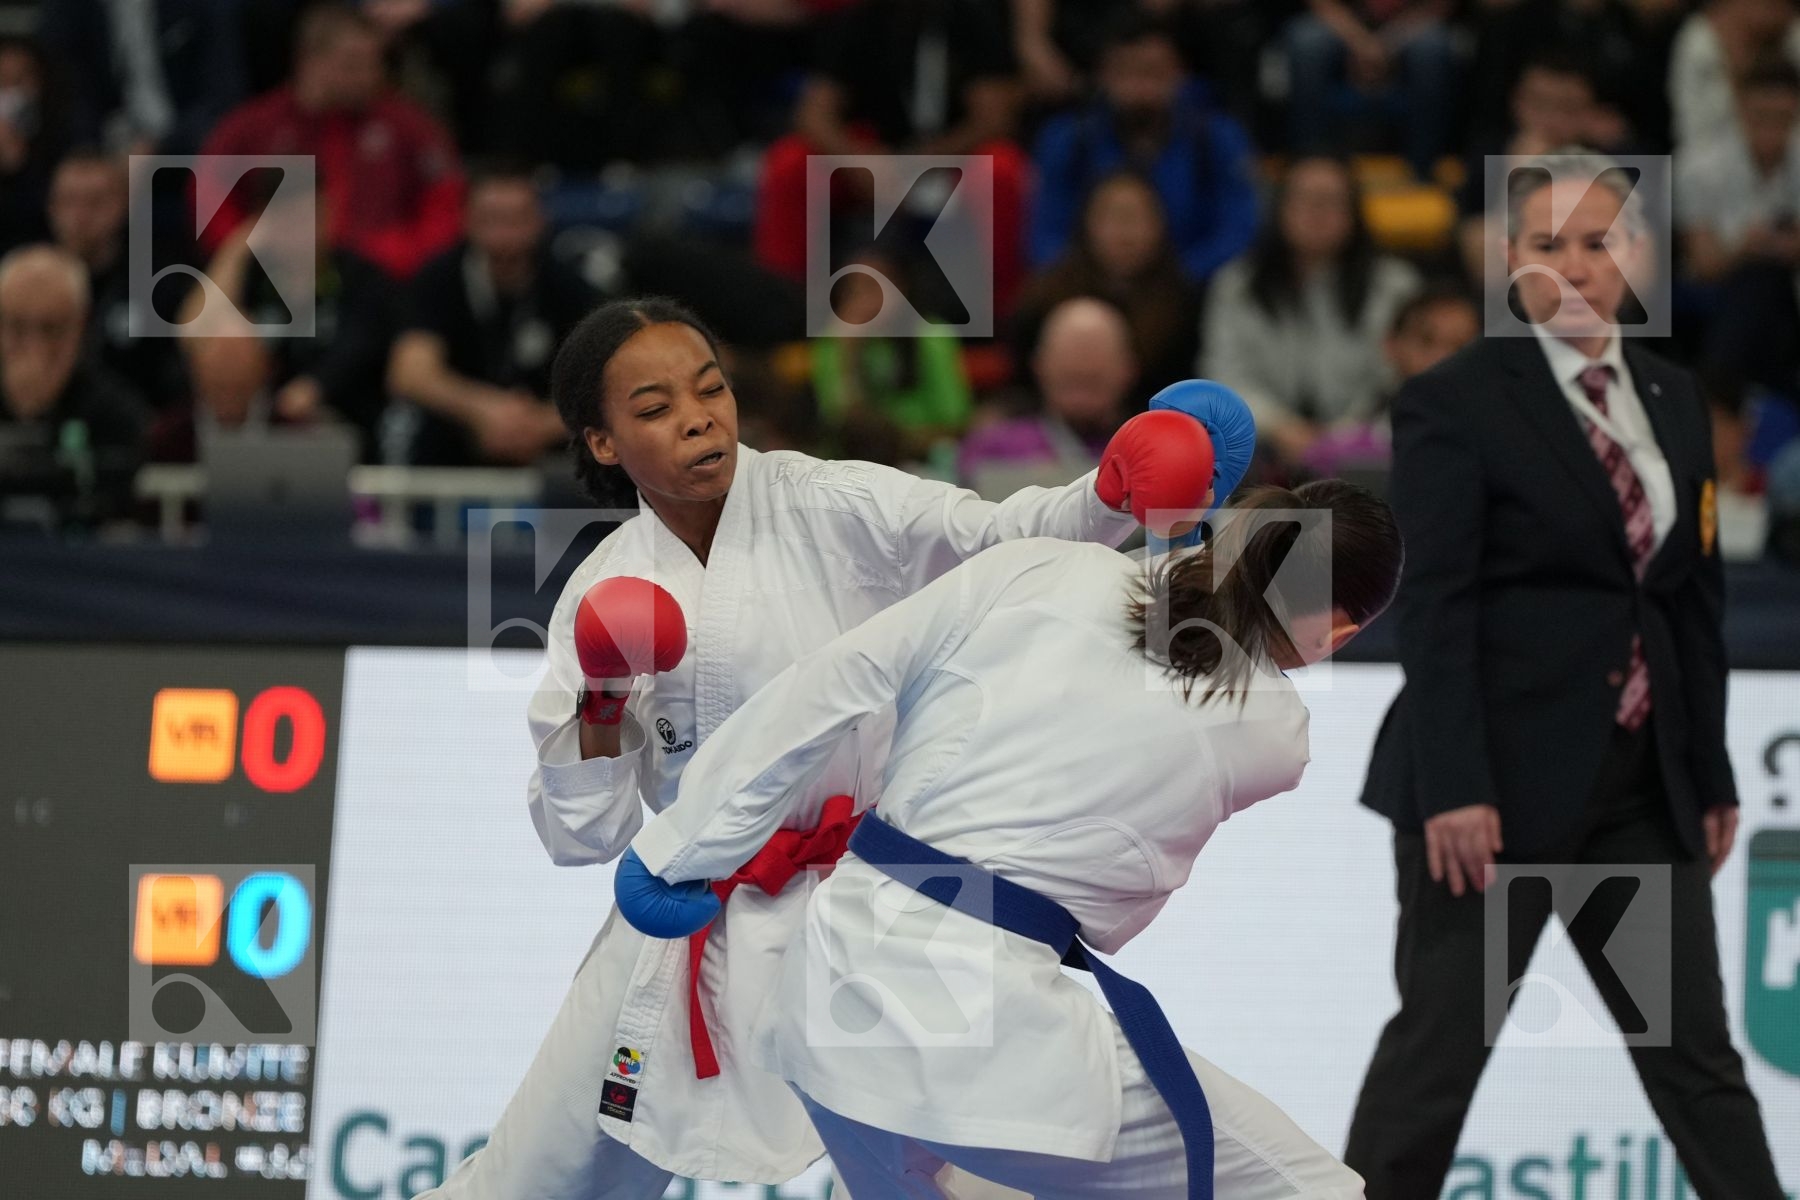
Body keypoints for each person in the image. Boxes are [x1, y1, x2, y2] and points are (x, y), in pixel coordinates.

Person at [415, 296, 1257, 1200]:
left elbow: (999, 539)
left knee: (955, 1172)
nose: (699, 417)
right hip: (693, 907)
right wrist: (605, 697)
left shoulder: (833, 501)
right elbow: (581, 834)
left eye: (711, 390)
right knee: (530, 1181)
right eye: (656, 409)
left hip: (875, 911)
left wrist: (1104, 495)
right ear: (604, 443)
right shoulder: (607, 585)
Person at [615, 481, 1402, 1200]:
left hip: (822, 995)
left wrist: (681, 849)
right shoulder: (1275, 735)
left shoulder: (1038, 567)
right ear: (1336, 630)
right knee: (1311, 1191)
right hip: (985, 1036)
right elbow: (1110, 907)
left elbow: (833, 680)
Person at [1345, 151, 1786, 1199]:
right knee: (1435, 1071)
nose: (1576, 267)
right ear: (1509, 259)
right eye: (1549, 245)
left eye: (1601, 242)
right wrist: (1455, 785)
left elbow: (1690, 602)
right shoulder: (1453, 402)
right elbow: (1438, 605)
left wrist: (1709, 775)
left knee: (1698, 1069)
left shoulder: (1676, 398)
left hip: (1638, 792)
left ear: (1636, 257)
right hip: (1491, 795)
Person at [196, 1, 464, 280]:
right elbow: (208, 197)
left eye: (376, 63)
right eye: (353, 64)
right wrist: (254, 255)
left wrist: (397, 257)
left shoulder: (408, 127)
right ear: (309, 60)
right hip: (277, 281)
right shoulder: (253, 127)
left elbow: (445, 204)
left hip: (386, 284)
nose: (369, 76)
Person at [1201, 156, 1422, 472]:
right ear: (1279, 207)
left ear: (1354, 213)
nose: (1317, 212)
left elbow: (1399, 378)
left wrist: (1342, 437)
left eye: (1331, 201)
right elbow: (1224, 373)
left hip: (1367, 450)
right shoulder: (1236, 285)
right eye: (1304, 199)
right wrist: (1279, 428)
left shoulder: (1395, 286)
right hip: (1261, 445)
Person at [387, 164, 600, 467]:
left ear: (540, 220)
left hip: (551, 459)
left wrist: (539, 424)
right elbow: (410, 373)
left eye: (517, 220)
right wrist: (483, 409)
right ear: (466, 220)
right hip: (451, 453)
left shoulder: (571, 286)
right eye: (491, 220)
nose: (504, 235)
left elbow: (606, 386)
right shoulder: (437, 279)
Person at [1029, 12, 1259, 287]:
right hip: (1089, 291)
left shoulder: (1216, 138)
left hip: (1191, 291)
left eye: (1153, 71)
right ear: (1103, 75)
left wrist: (1175, 279)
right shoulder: (1068, 139)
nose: (1141, 86)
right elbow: (1044, 236)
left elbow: (1239, 232)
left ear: (1180, 73)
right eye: (1126, 71)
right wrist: (1093, 280)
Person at [1015, 169, 1201, 397]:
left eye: (1136, 218)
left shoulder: (1185, 306)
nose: (1125, 233)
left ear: (1160, 227)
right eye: (1112, 217)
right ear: (1087, 224)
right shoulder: (1045, 296)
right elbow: (1018, 380)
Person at [0, 244, 149, 528]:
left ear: (80, 328)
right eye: (17, 327)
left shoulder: (118, 413)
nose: (34, 347)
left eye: (50, 328)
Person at [46, 150, 189, 412]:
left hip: (137, 432)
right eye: (69, 202)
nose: (80, 216)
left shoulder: (157, 285)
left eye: (95, 202)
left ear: (122, 205)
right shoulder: (31, 286)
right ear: (51, 209)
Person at [960, 296, 1137, 498]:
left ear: (1128, 370)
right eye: (1070, 378)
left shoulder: (1147, 451)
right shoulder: (992, 446)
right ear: (1039, 365)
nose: (1083, 363)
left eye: (1093, 380)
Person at [1283, 0, 1458, 181]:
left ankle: (1421, 171)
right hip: (1343, 24)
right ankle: (1310, 167)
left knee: (1432, 48)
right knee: (1306, 42)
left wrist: (1388, 43)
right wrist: (1360, 41)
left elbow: (1439, 5)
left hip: (1411, 26)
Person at [1668, 0, 1800, 151]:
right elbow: (1690, 132)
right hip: (1712, 159)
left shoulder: (1794, 36)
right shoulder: (1700, 41)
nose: (1768, 10)